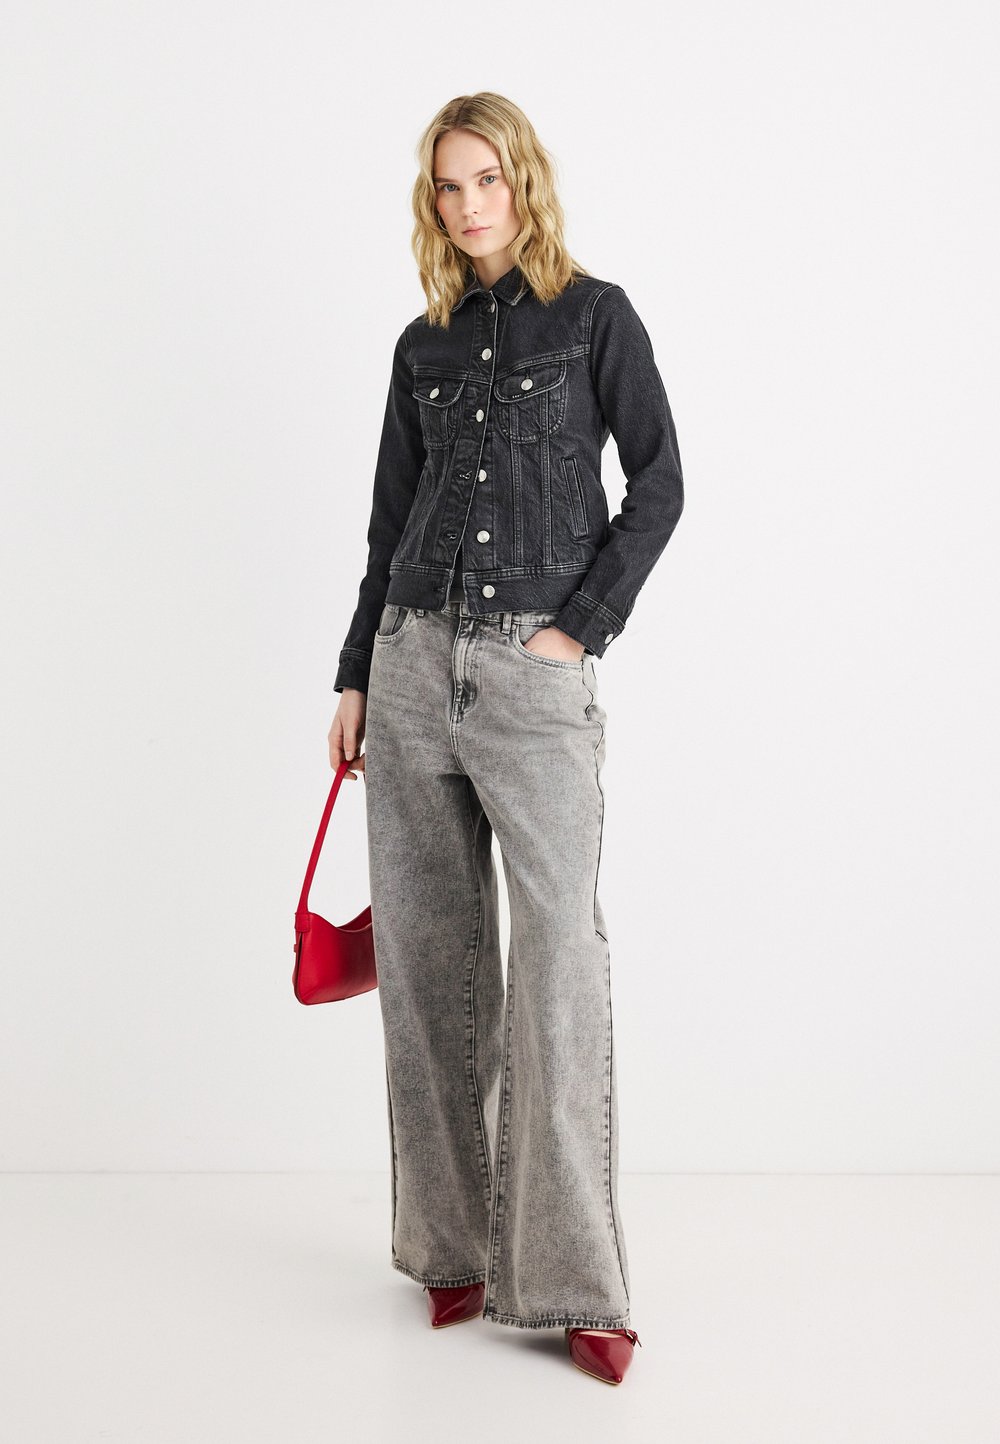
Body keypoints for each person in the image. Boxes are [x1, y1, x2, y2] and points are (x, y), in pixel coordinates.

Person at [327, 92, 684, 1386]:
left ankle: (578, 1280)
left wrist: (578, 630)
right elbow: (388, 524)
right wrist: (356, 673)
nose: (470, 204)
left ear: (524, 180)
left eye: (487, 178)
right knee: (429, 963)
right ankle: (453, 1253)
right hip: (412, 664)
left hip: (534, 680)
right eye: (448, 185)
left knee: (560, 965)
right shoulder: (421, 344)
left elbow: (660, 483)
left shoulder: (596, 318)